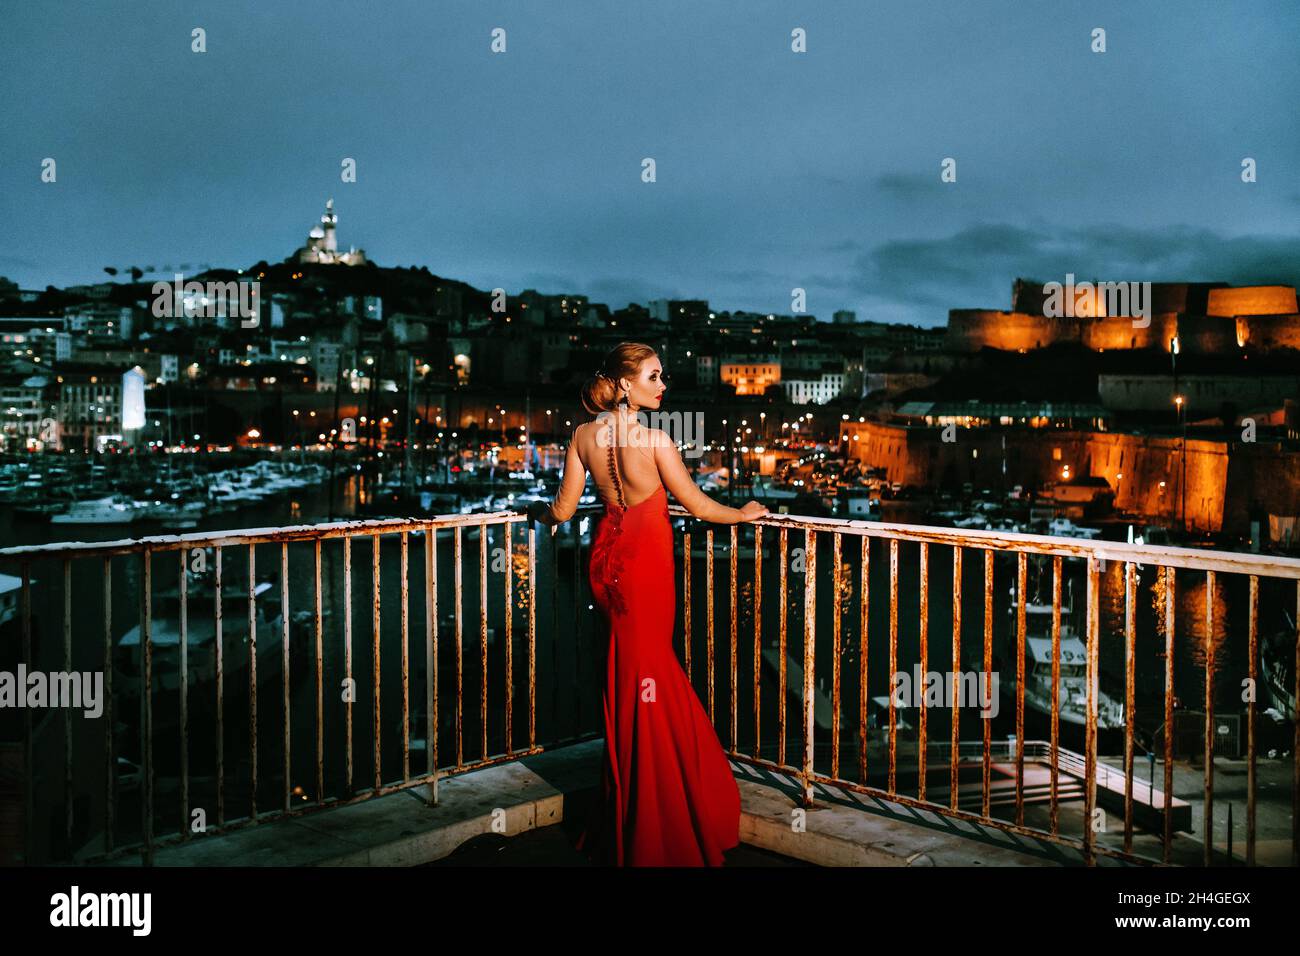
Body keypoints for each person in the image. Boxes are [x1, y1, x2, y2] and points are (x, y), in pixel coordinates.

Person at [527, 342, 768, 865]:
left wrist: (537, 514)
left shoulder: (582, 436)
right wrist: (744, 513)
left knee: (632, 677)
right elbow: (698, 505)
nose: (663, 386)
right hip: (646, 569)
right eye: (654, 377)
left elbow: (564, 510)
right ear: (623, 385)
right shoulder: (656, 440)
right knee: (654, 675)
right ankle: (667, 813)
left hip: (606, 567)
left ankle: (634, 804)